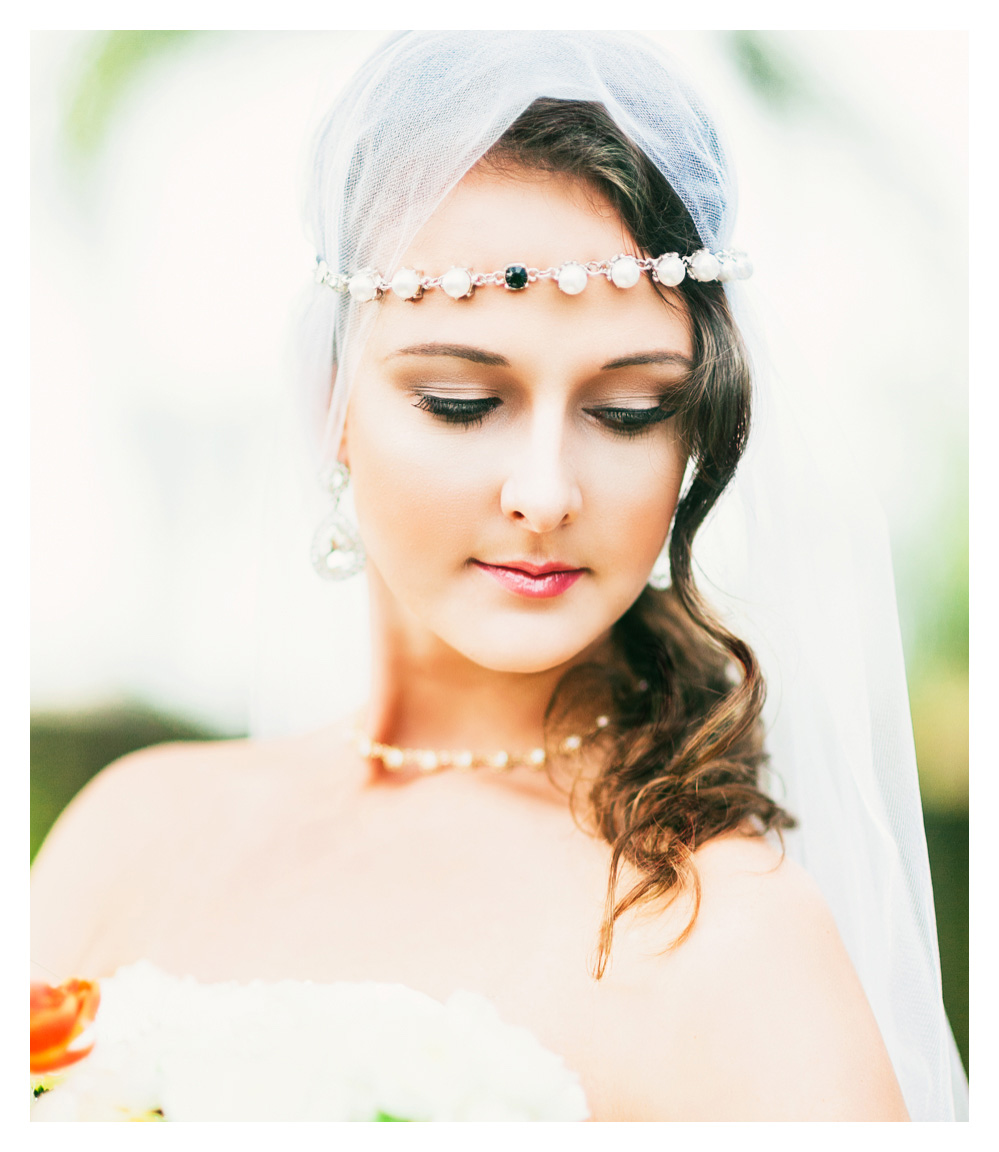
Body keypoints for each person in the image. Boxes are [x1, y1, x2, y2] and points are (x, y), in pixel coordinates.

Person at [30, 30, 965, 1121]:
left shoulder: (731, 941)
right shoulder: (129, 834)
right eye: (463, 403)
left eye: (628, 413)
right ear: (329, 396)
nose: (546, 491)